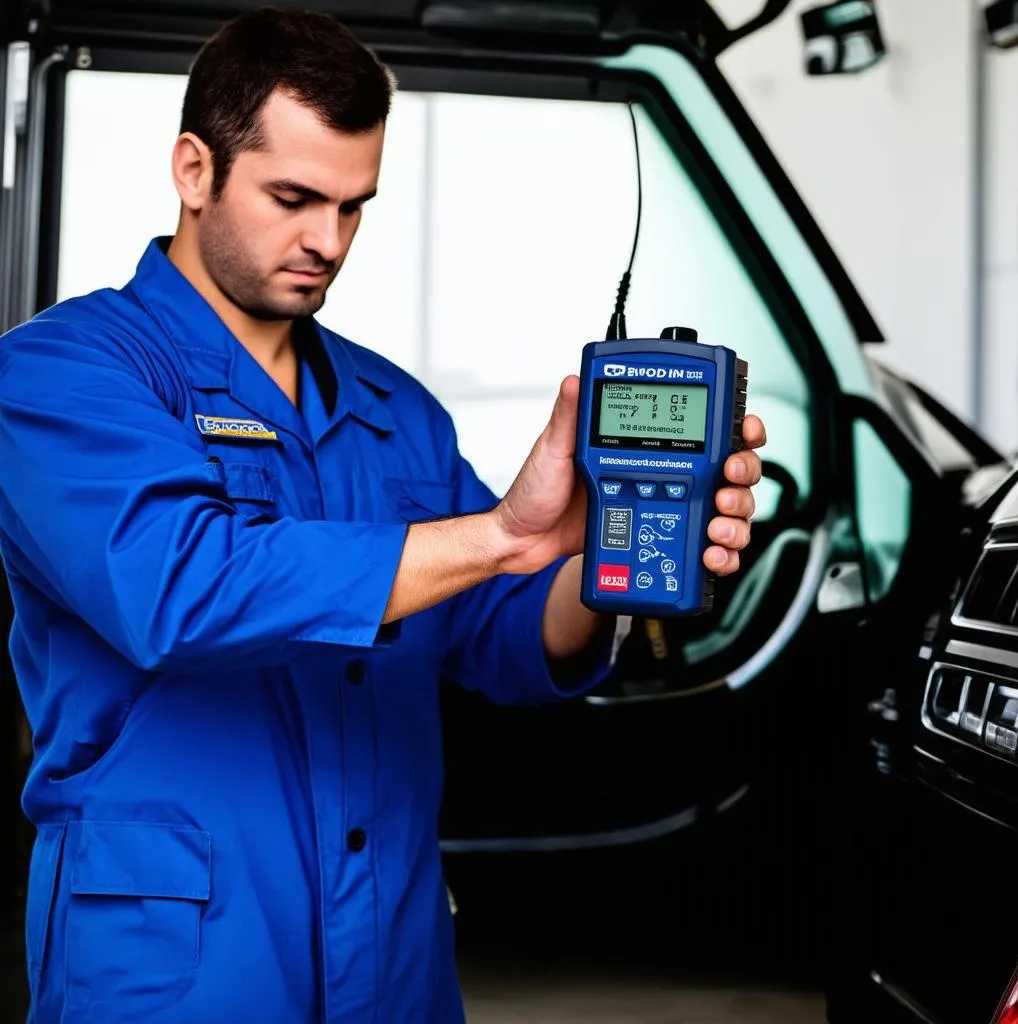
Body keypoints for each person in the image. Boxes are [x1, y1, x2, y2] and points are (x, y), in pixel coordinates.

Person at [0, 7, 765, 1023]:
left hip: (391, 949)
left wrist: (594, 554)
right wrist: (499, 536)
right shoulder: (64, 371)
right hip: (178, 959)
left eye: (354, 206)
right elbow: (182, 588)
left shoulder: (397, 411)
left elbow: (496, 635)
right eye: (293, 198)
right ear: (194, 170)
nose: (327, 241)